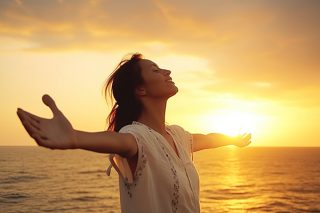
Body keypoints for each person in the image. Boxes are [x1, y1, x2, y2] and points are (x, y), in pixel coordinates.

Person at [16, 53, 251, 213]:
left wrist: (232, 140)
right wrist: (75, 137)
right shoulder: (137, 137)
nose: (168, 71)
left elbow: (208, 139)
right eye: (156, 70)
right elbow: (119, 141)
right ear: (140, 89)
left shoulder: (178, 136)